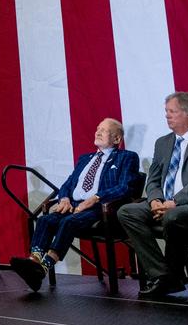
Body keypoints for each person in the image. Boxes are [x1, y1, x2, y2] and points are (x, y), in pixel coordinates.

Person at [117, 92, 188, 299]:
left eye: (172, 111)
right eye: (166, 112)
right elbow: (153, 178)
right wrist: (155, 201)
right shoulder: (163, 142)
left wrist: (174, 202)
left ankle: (170, 277)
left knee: (173, 216)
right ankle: (163, 275)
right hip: (163, 203)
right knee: (127, 211)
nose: (167, 116)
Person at [10, 118, 139, 292]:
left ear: (117, 139)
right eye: (97, 128)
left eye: (104, 130)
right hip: (73, 205)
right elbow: (68, 184)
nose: (98, 132)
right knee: (45, 220)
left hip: (100, 208)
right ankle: (33, 263)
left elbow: (125, 187)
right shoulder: (85, 158)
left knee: (67, 222)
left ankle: (44, 266)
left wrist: (96, 197)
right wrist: (64, 198)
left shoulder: (127, 157)